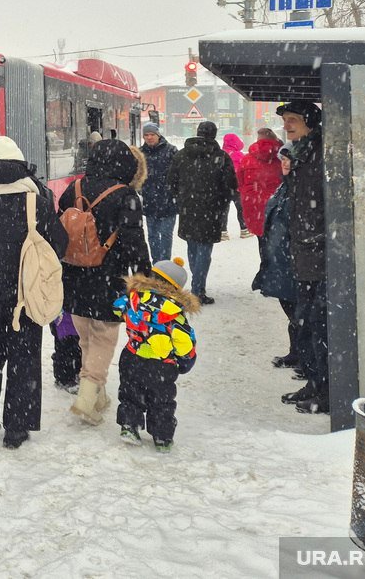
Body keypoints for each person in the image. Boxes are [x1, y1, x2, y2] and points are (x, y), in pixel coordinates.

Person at [0, 136, 67, 449]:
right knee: (24, 352)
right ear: (21, 167)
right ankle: (16, 427)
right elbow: (58, 244)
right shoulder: (34, 200)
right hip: (24, 290)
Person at [59, 139, 152, 425]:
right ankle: (87, 399)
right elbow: (134, 241)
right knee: (103, 337)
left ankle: (98, 395)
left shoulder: (71, 190)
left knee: (87, 336)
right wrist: (144, 276)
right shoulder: (126, 195)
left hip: (73, 275)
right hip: (108, 277)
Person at [112, 257, 200, 452]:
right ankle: (162, 437)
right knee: (162, 400)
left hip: (132, 356)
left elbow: (117, 308)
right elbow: (183, 343)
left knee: (130, 393)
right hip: (161, 365)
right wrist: (187, 360)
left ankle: (129, 426)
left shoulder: (135, 298)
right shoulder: (174, 313)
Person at [276, 101, 328, 415]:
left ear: (309, 122)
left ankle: (325, 390)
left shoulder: (318, 154)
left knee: (318, 327)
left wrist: (314, 236)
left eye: (293, 120)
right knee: (307, 323)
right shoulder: (302, 154)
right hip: (306, 253)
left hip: (319, 254)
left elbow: (320, 204)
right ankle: (315, 382)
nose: (287, 125)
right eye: (284, 120)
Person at [166, 121, 238, 305]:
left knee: (193, 246)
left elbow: (171, 180)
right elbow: (230, 184)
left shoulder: (181, 155)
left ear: (197, 132)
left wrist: (181, 197)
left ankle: (197, 284)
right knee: (205, 248)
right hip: (211, 209)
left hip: (188, 207)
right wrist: (222, 202)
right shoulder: (221, 156)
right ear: (214, 135)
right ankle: (198, 289)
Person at [251, 144, 300, 372]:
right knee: (291, 309)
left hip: (294, 261)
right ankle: (297, 353)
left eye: (289, 159)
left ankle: (305, 359)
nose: (285, 163)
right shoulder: (285, 187)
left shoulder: (299, 188)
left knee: (301, 312)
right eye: (283, 159)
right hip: (279, 260)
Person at [138, 121, 178, 262]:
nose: (149, 138)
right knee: (152, 235)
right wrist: (140, 190)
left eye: (152, 134)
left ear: (158, 135)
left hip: (168, 201)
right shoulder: (140, 153)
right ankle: (156, 262)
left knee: (166, 234)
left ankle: (165, 263)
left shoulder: (171, 151)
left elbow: (178, 175)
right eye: (146, 135)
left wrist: (174, 192)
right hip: (149, 201)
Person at [238, 130, 284, 245]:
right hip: (277, 206)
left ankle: (266, 261)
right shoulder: (283, 158)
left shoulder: (247, 159)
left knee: (263, 242)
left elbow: (240, 182)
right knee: (279, 246)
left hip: (253, 206)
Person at [220, 133, 250, 240]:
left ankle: (223, 231)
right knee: (241, 209)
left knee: (223, 209)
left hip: (223, 187)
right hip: (237, 187)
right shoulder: (239, 155)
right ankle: (244, 229)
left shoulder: (221, 155)